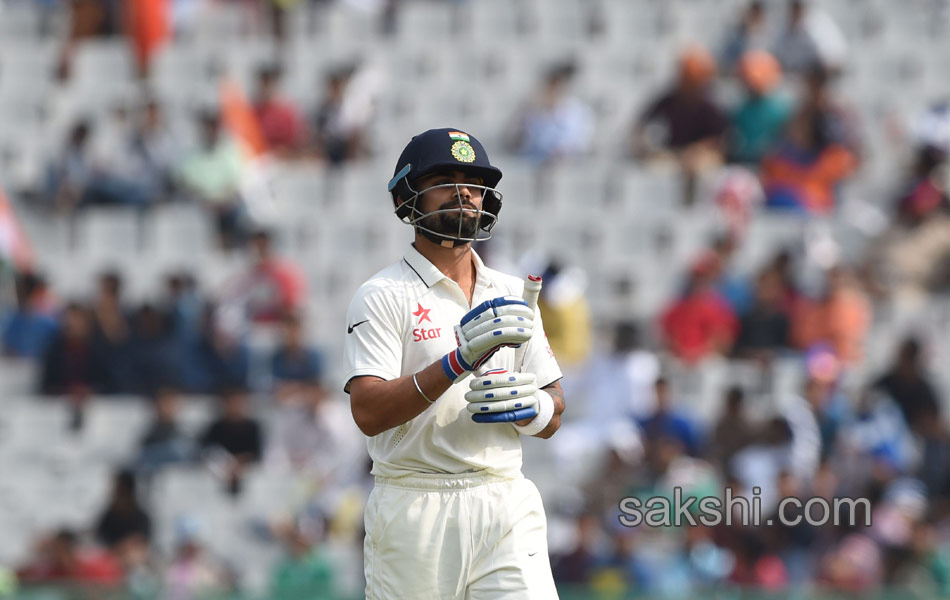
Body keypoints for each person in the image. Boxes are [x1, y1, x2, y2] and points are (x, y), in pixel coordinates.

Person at [343, 128, 566, 598]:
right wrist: (459, 361)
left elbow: (554, 408)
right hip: (415, 503)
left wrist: (532, 408)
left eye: (475, 183)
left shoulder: (511, 292)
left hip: (505, 496)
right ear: (408, 197)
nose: (464, 192)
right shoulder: (382, 295)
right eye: (444, 179)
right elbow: (368, 412)